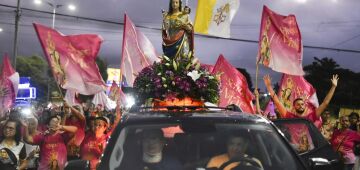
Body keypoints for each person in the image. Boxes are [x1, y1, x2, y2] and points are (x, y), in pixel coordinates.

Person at [263, 74, 339, 126]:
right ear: (294, 106)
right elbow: (277, 102)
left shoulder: (311, 117)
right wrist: (269, 87)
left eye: (302, 104)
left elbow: (325, 103)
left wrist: (333, 87)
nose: (301, 106)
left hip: (309, 149)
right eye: (298, 104)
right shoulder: (289, 116)